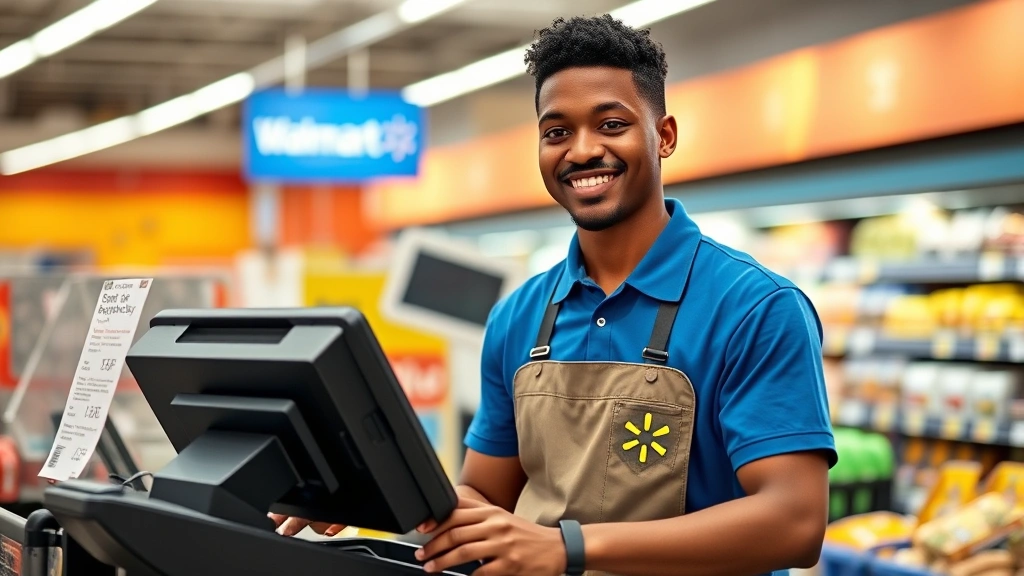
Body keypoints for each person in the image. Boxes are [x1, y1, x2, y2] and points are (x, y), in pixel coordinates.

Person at [274, 13, 837, 576]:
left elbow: (793, 522)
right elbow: (486, 497)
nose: (582, 150)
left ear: (663, 136)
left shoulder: (755, 308)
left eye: (611, 124)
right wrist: (380, 497)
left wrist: (567, 548)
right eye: (557, 132)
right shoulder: (518, 317)